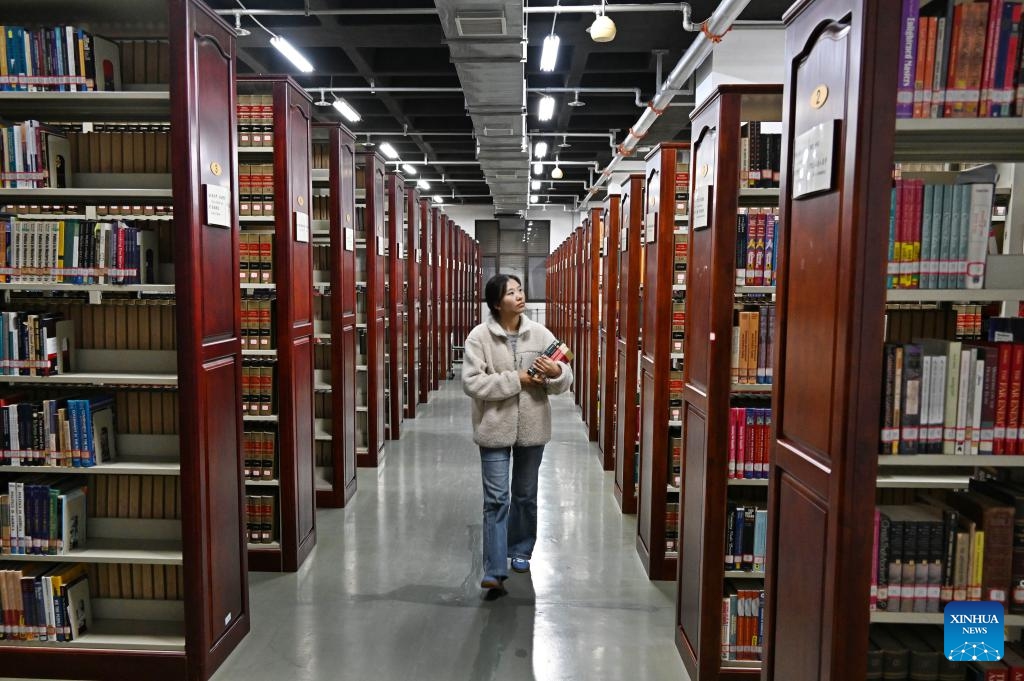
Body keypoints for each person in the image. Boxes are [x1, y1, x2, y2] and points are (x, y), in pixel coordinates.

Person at [462, 273, 573, 589]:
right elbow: (472, 382)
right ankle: (495, 569)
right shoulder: (479, 338)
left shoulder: (539, 333)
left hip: (533, 427)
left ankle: (521, 549)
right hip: (494, 428)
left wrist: (556, 373)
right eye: (511, 293)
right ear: (497, 303)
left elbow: (566, 375)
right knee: (496, 498)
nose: (520, 296)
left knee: (525, 495)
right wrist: (516, 380)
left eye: (520, 290)